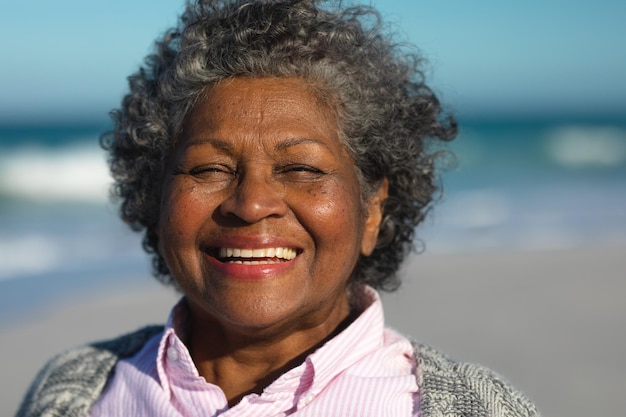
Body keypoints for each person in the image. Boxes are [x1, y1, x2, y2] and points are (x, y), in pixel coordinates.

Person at [17, 0, 539, 416]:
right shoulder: (76, 393)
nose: (251, 204)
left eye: (303, 170)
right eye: (208, 169)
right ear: (155, 198)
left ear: (373, 209)